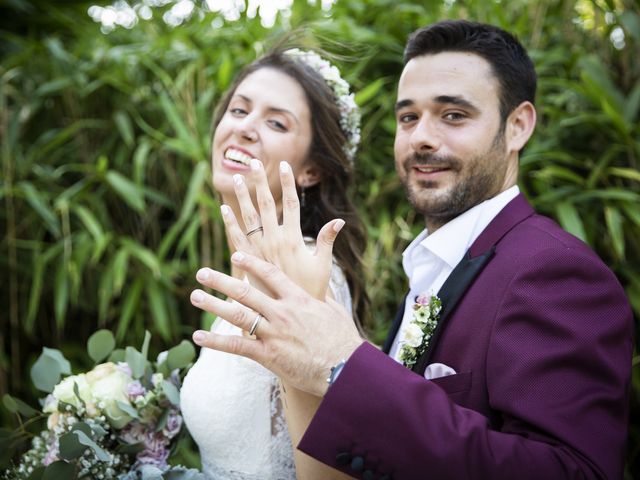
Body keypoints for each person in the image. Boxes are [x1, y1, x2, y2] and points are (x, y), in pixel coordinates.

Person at [189, 20, 634, 480]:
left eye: (453, 115)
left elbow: (573, 471)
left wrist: (345, 367)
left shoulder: (553, 270)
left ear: (517, 125)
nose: (422, 136)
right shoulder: (430, 271)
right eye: (408, 117)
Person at [180, 47, 368, 480]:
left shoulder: (303, 276)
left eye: (276, 122)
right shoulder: (250, 265)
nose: (244, 128)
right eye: (239, 109)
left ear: (311, 171)